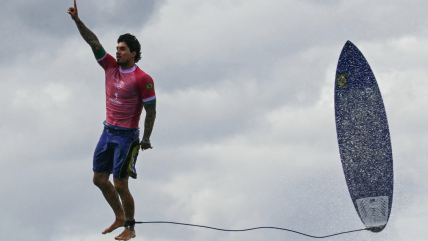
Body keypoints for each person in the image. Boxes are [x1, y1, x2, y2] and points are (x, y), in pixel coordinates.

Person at [68, 1, 157, 240]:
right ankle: (119, 216)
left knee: (120, 183)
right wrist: (77, 21)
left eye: (122, 49)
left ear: (133, 53)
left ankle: (130, 227)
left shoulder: (143, 78)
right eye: (117, 48)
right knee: (99, 179)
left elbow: (151, 111)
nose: (117, 51)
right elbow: (94, 42)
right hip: (108, 131)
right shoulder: (109, 66)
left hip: (127, 137)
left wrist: (146, 138)